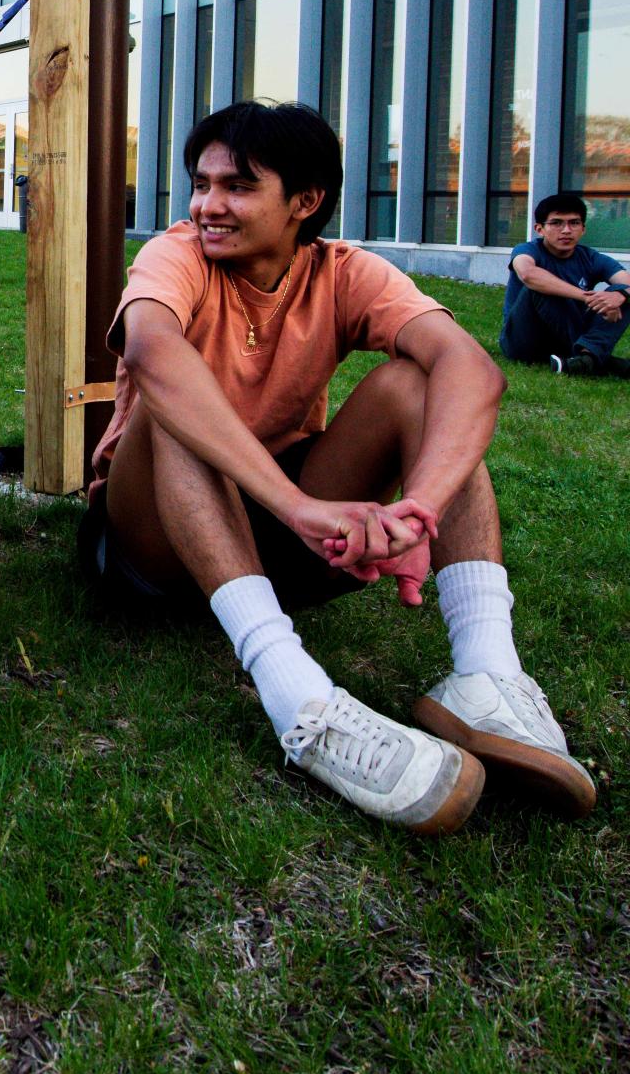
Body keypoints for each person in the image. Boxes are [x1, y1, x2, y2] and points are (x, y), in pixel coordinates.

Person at [79, 101, 595, 834]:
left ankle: (486, 674)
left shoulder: (344, 272)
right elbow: (151, 351)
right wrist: (295, 504)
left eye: (236, 186)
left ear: (305, 201)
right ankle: (300, 699)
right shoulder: (178, 252)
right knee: (178, 396)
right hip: (150, 543)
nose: (207, 205)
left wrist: (420, 507)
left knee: (419, 386)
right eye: (201, 183)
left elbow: (472, 371)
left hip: (284, 545)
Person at [497, 192, 629, 378]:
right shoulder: (527, 250)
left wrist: (620, 296)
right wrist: (585, 296)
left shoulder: (591, 257)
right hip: (523, 340)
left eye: (574, 223)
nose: (566, 230)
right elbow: (528, 274)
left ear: (583, 229)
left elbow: (626, 281)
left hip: (568, 337)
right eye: (556, 223)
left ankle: (586, 359)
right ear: (539, 229)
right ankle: (602, 361)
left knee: (623, 294)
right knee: (539, 287)